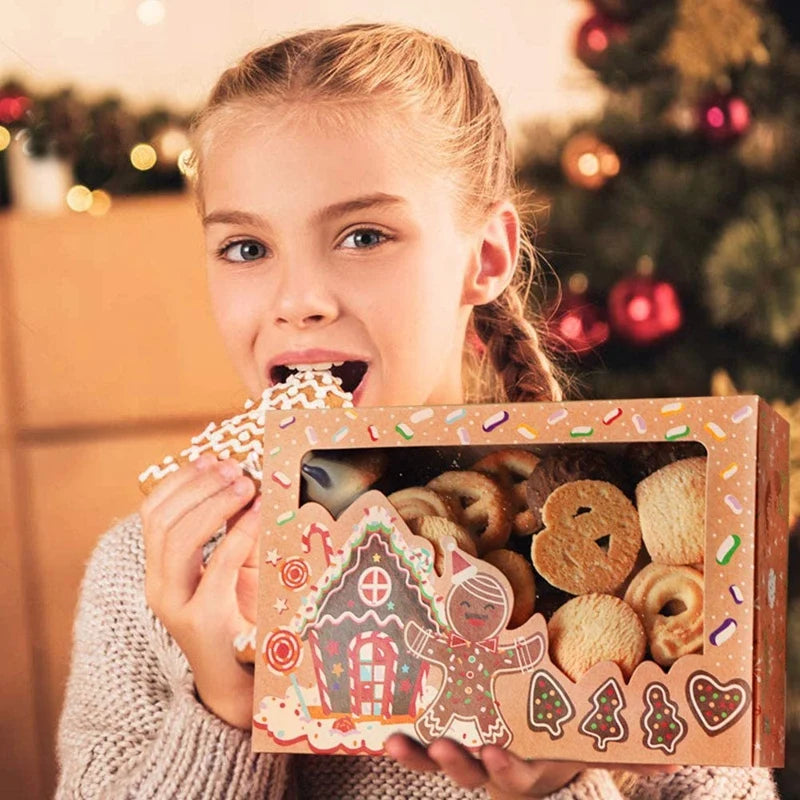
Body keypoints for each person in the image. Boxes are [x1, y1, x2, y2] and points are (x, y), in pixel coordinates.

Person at [56, 22, 779, 799]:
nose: (298, 300)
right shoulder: (147, 576)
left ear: (487, 257)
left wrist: (565, 782)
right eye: (245, 248)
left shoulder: (640, 555)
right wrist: (225, 708)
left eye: (364, 235)